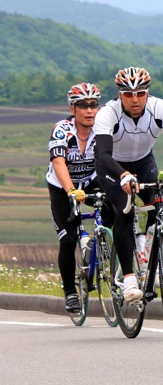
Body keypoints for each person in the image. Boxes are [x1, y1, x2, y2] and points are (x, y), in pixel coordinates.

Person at [94, 67, 163, 302]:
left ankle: (147, 259)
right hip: (112, 165)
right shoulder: (108, 113)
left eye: (140, 93)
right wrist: (123, 175)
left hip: (144, 161)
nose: (135, 99)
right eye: (128, 94)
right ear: (119, 94)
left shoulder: (161, 108)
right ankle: (128, 280)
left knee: (157, 207)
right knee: (123, 212)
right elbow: (103, 154)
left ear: (148, 92)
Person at [47, 83, 114, 313]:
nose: (89, 110)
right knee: (67, 240)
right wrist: (70, 191)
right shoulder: (62, 129)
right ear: (72, 108)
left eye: (93, 105)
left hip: (91, 179)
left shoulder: (104, 128)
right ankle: (70, 293)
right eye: (83, 106)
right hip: (62, 186)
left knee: (114, 207)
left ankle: (99, 241)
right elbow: (58, 162)